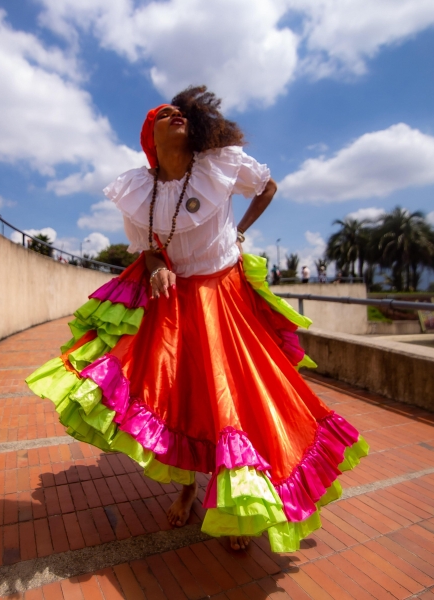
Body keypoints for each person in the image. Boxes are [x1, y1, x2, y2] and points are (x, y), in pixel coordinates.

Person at [26, 86, 367, 553]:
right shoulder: (138, 192)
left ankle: (239, 510)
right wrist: (159, 267)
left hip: (224, 294)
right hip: (175, 303)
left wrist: (240, 229)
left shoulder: (218, 164)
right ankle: (188, 487)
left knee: (234, 401)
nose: (176, 116)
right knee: (182, 400)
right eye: (164, 114)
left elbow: (268, 186)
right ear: (151, 137)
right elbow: (146, 253)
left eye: (181, 112)